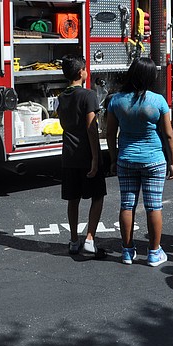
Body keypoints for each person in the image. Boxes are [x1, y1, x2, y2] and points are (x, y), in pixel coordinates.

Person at [106, 57, 173, 267]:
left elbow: (109, 134)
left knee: (127, 205)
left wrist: (113, 158)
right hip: (154, 160)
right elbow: (169, 135)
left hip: (126, 159)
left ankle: (127, 252)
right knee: (154, 206)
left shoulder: (116, 100)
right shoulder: (158, 101)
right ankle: (154, 253)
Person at [57, 55, 106, 256]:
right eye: (85, 69)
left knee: (73, 199)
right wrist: (96, 158)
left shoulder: (62, 97)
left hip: (68, 154)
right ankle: (90, 238)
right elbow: (91, 129)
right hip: (86, 154)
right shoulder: (89, 96)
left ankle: (74, 240)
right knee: (97, 196)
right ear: (81, 73)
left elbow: (62, 124)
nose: (87, 72)